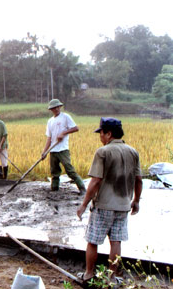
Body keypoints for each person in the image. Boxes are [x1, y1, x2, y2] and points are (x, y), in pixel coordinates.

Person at [76, 118, 142, 284]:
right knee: (116, 241)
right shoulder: (133, 152)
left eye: (102, 133)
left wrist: (84, 204)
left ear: (109, 133)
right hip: (123, 206)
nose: (100, 137)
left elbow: (96, 180)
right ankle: (112, 278)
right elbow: (138, 180)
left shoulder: (103, 152)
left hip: (103, 206)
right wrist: (136, 200)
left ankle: (89, 274)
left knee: (93, 240)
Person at [41, 99, 86, 193]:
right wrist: (45, 151)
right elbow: (49, 138)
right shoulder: (50, 121)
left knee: (69, 170)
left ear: (60, 107)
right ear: (51, 109)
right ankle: (54, 189)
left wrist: (63, 133)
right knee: (54, 171)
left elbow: (75, 128)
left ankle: (82, 188)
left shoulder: (65, 117)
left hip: (63, 149)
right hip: (53, 150)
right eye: (54, 108)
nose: (56, 109)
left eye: (58, 107)